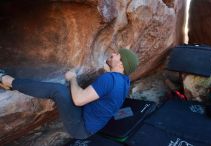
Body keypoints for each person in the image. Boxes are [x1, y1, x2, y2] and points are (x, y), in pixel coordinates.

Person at [0, 48, 139, 139]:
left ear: (121, 64)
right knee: (67, 92)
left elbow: (78, 100)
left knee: (58, 90)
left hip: (81, 127)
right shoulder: (124, 81)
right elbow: (109, 90)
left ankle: (8, 81)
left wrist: (72, 78)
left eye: (117, 55)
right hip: (91, 123)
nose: (113, 54)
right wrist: (109, 69)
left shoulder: (109, 79)